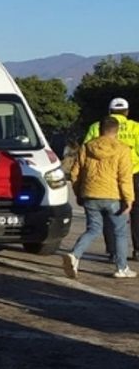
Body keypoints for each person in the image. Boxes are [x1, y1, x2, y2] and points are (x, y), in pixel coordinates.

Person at [63, 116, 135, 279]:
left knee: (93, 229)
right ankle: (121, 267)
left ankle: (75, 254)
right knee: (120, 232)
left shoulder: (86, 147)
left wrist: (79, 193)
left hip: (90, 194)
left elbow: (75, 173)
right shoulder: (122, 149)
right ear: (117, 131)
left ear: (99, 129)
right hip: (113, 196)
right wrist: (129, 199)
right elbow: (124, 177)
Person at [82, 98, 139, 260]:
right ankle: (137, 250)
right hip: (134, 173)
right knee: (136, 213)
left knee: (109, 215)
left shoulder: (96, 127)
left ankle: (113, 252)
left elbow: (85, 152)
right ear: (127, 112)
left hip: (106, 176)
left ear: (109, 112)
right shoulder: (136, 128)